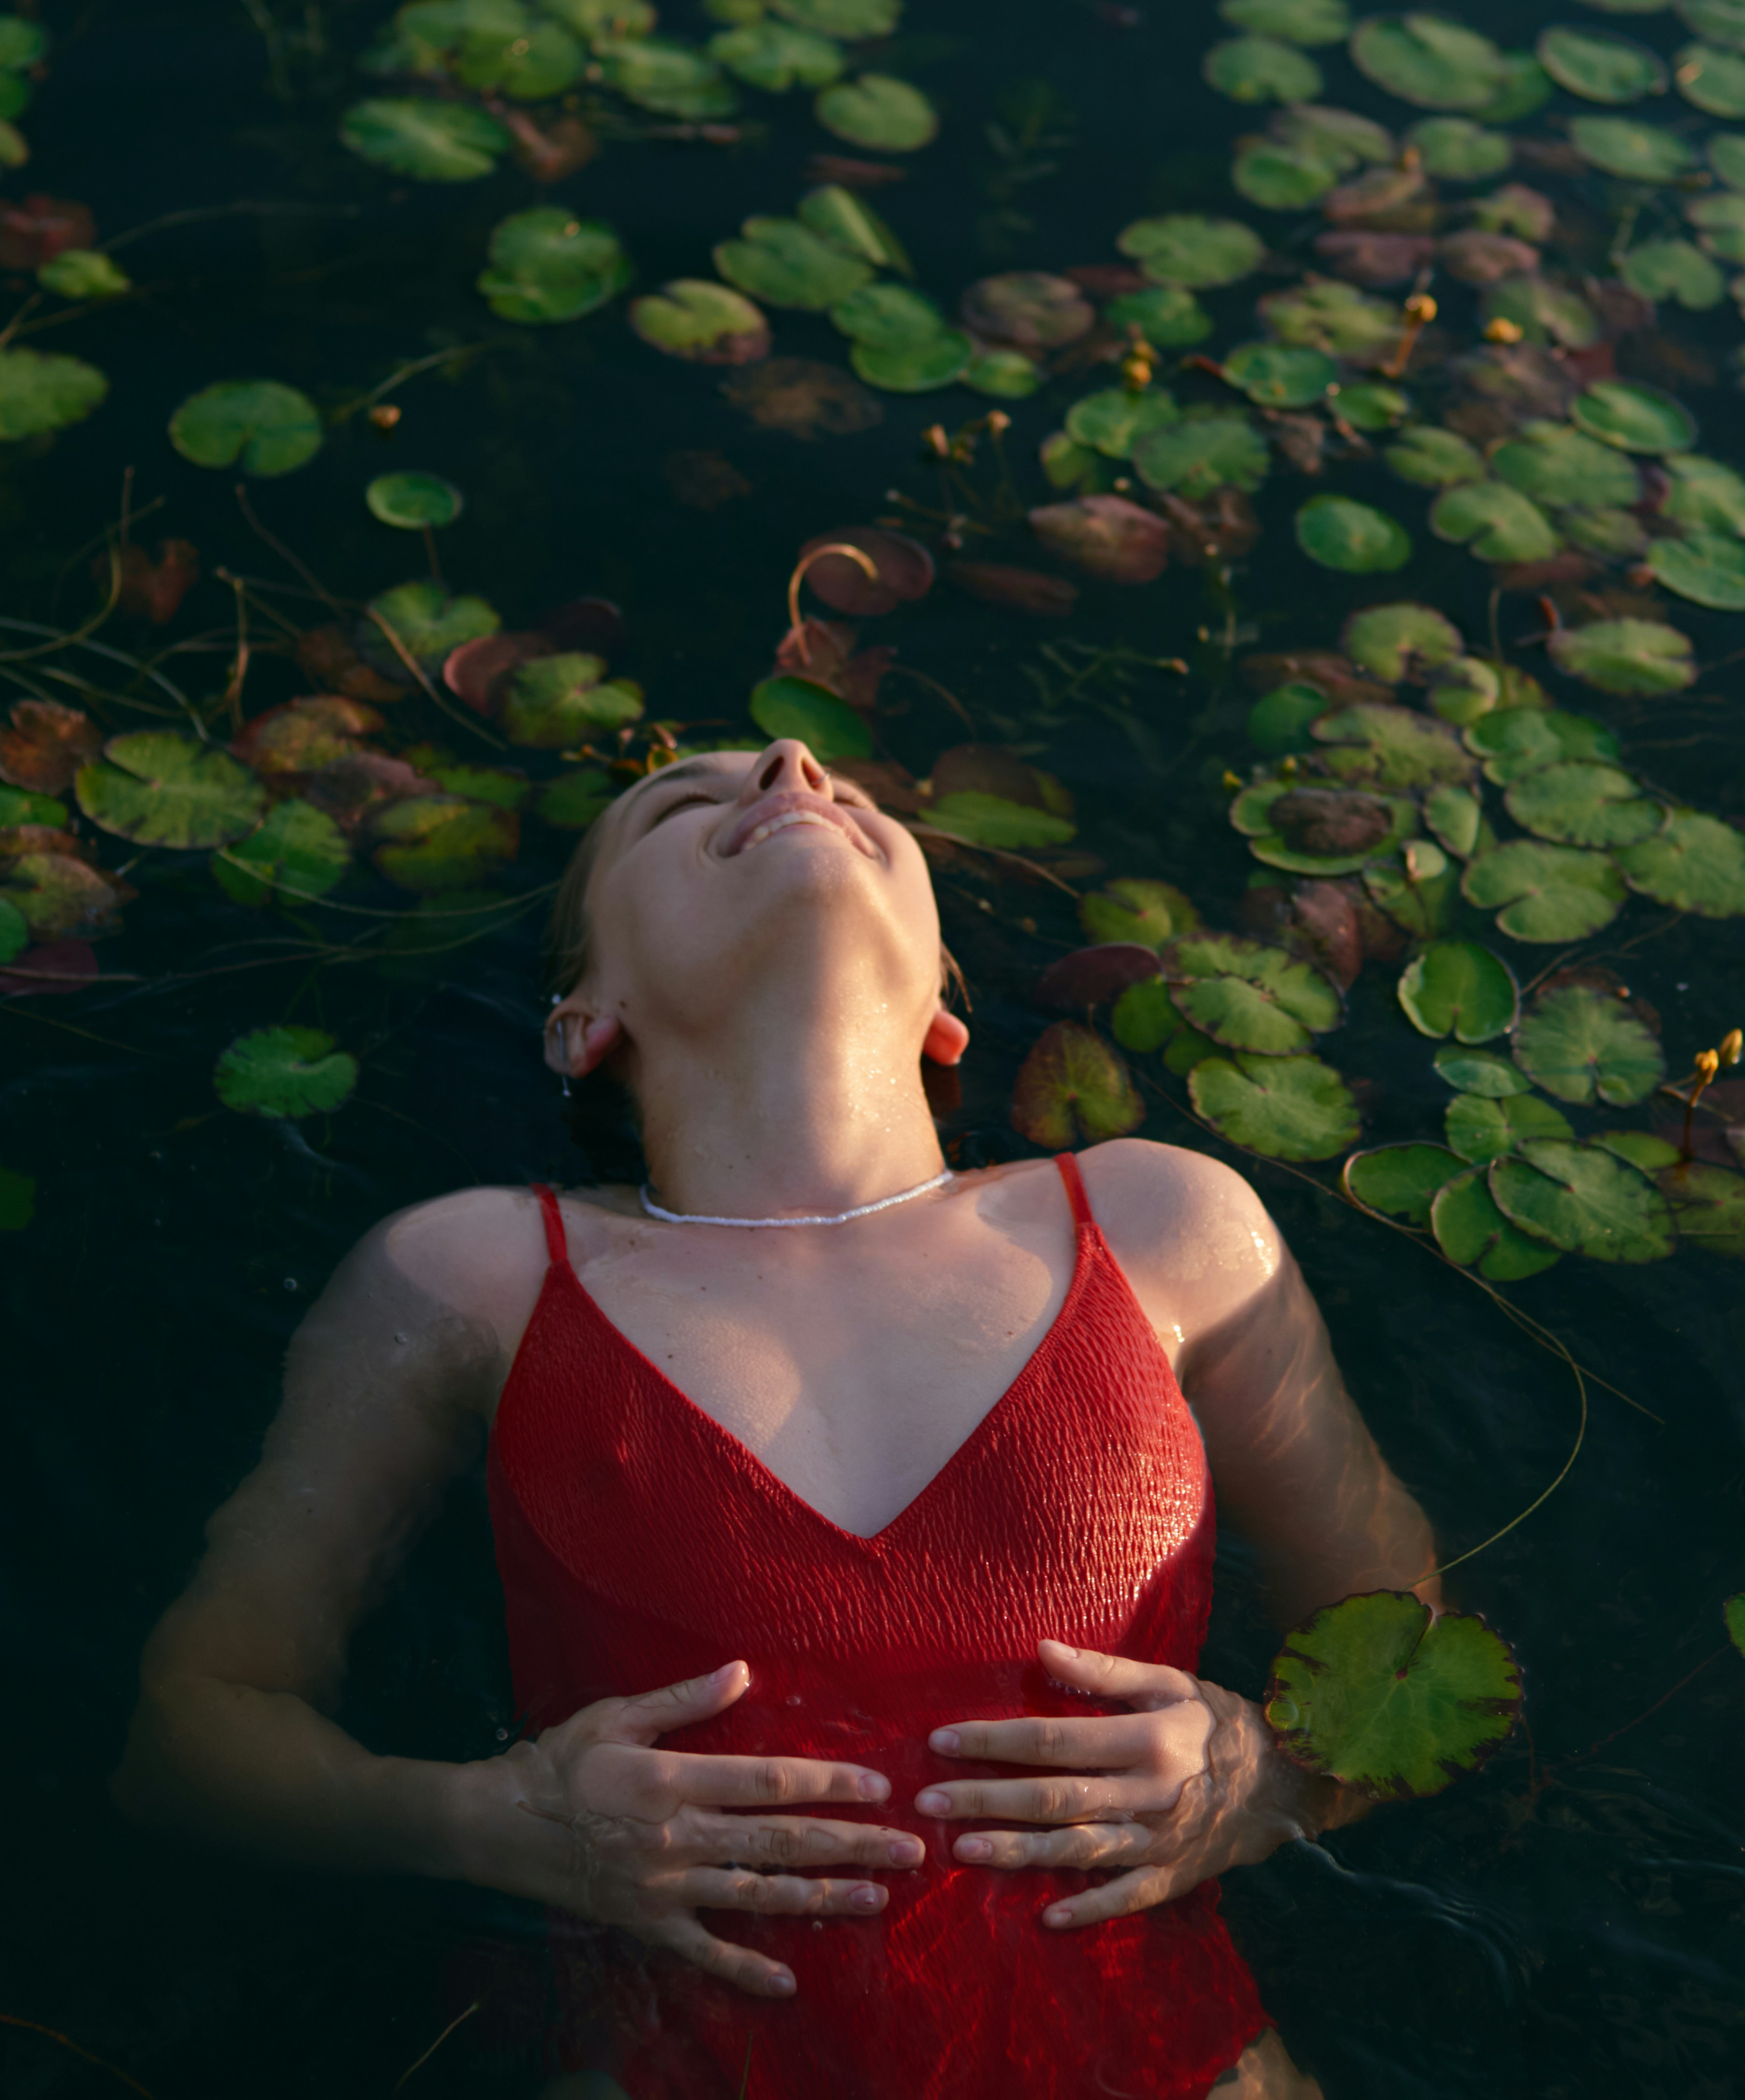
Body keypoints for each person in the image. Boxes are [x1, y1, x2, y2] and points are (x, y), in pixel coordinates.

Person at [117, 736, 1442, 2098]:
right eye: (683, 805)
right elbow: (194, 1731)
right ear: (587, 1016)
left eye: (855, 798)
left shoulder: (1168, 1227)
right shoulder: (473, 1276)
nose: (798, 769)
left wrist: (1263, 1783)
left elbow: (1414, 1651)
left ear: (942, 1006)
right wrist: (492, 1819)